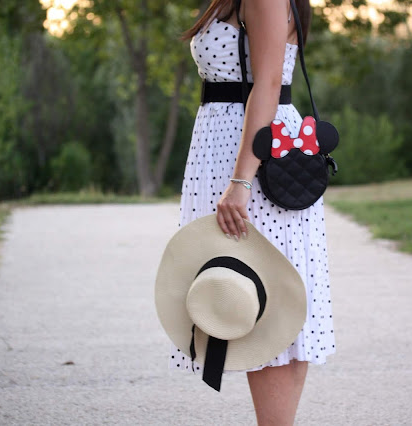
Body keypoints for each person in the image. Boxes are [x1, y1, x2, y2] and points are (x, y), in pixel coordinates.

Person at [172, 0, 335, 423]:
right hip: (230, 150)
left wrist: (241, 181)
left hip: (255, 164)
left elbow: (266, 84)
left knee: (268, 304)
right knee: (250, 296)